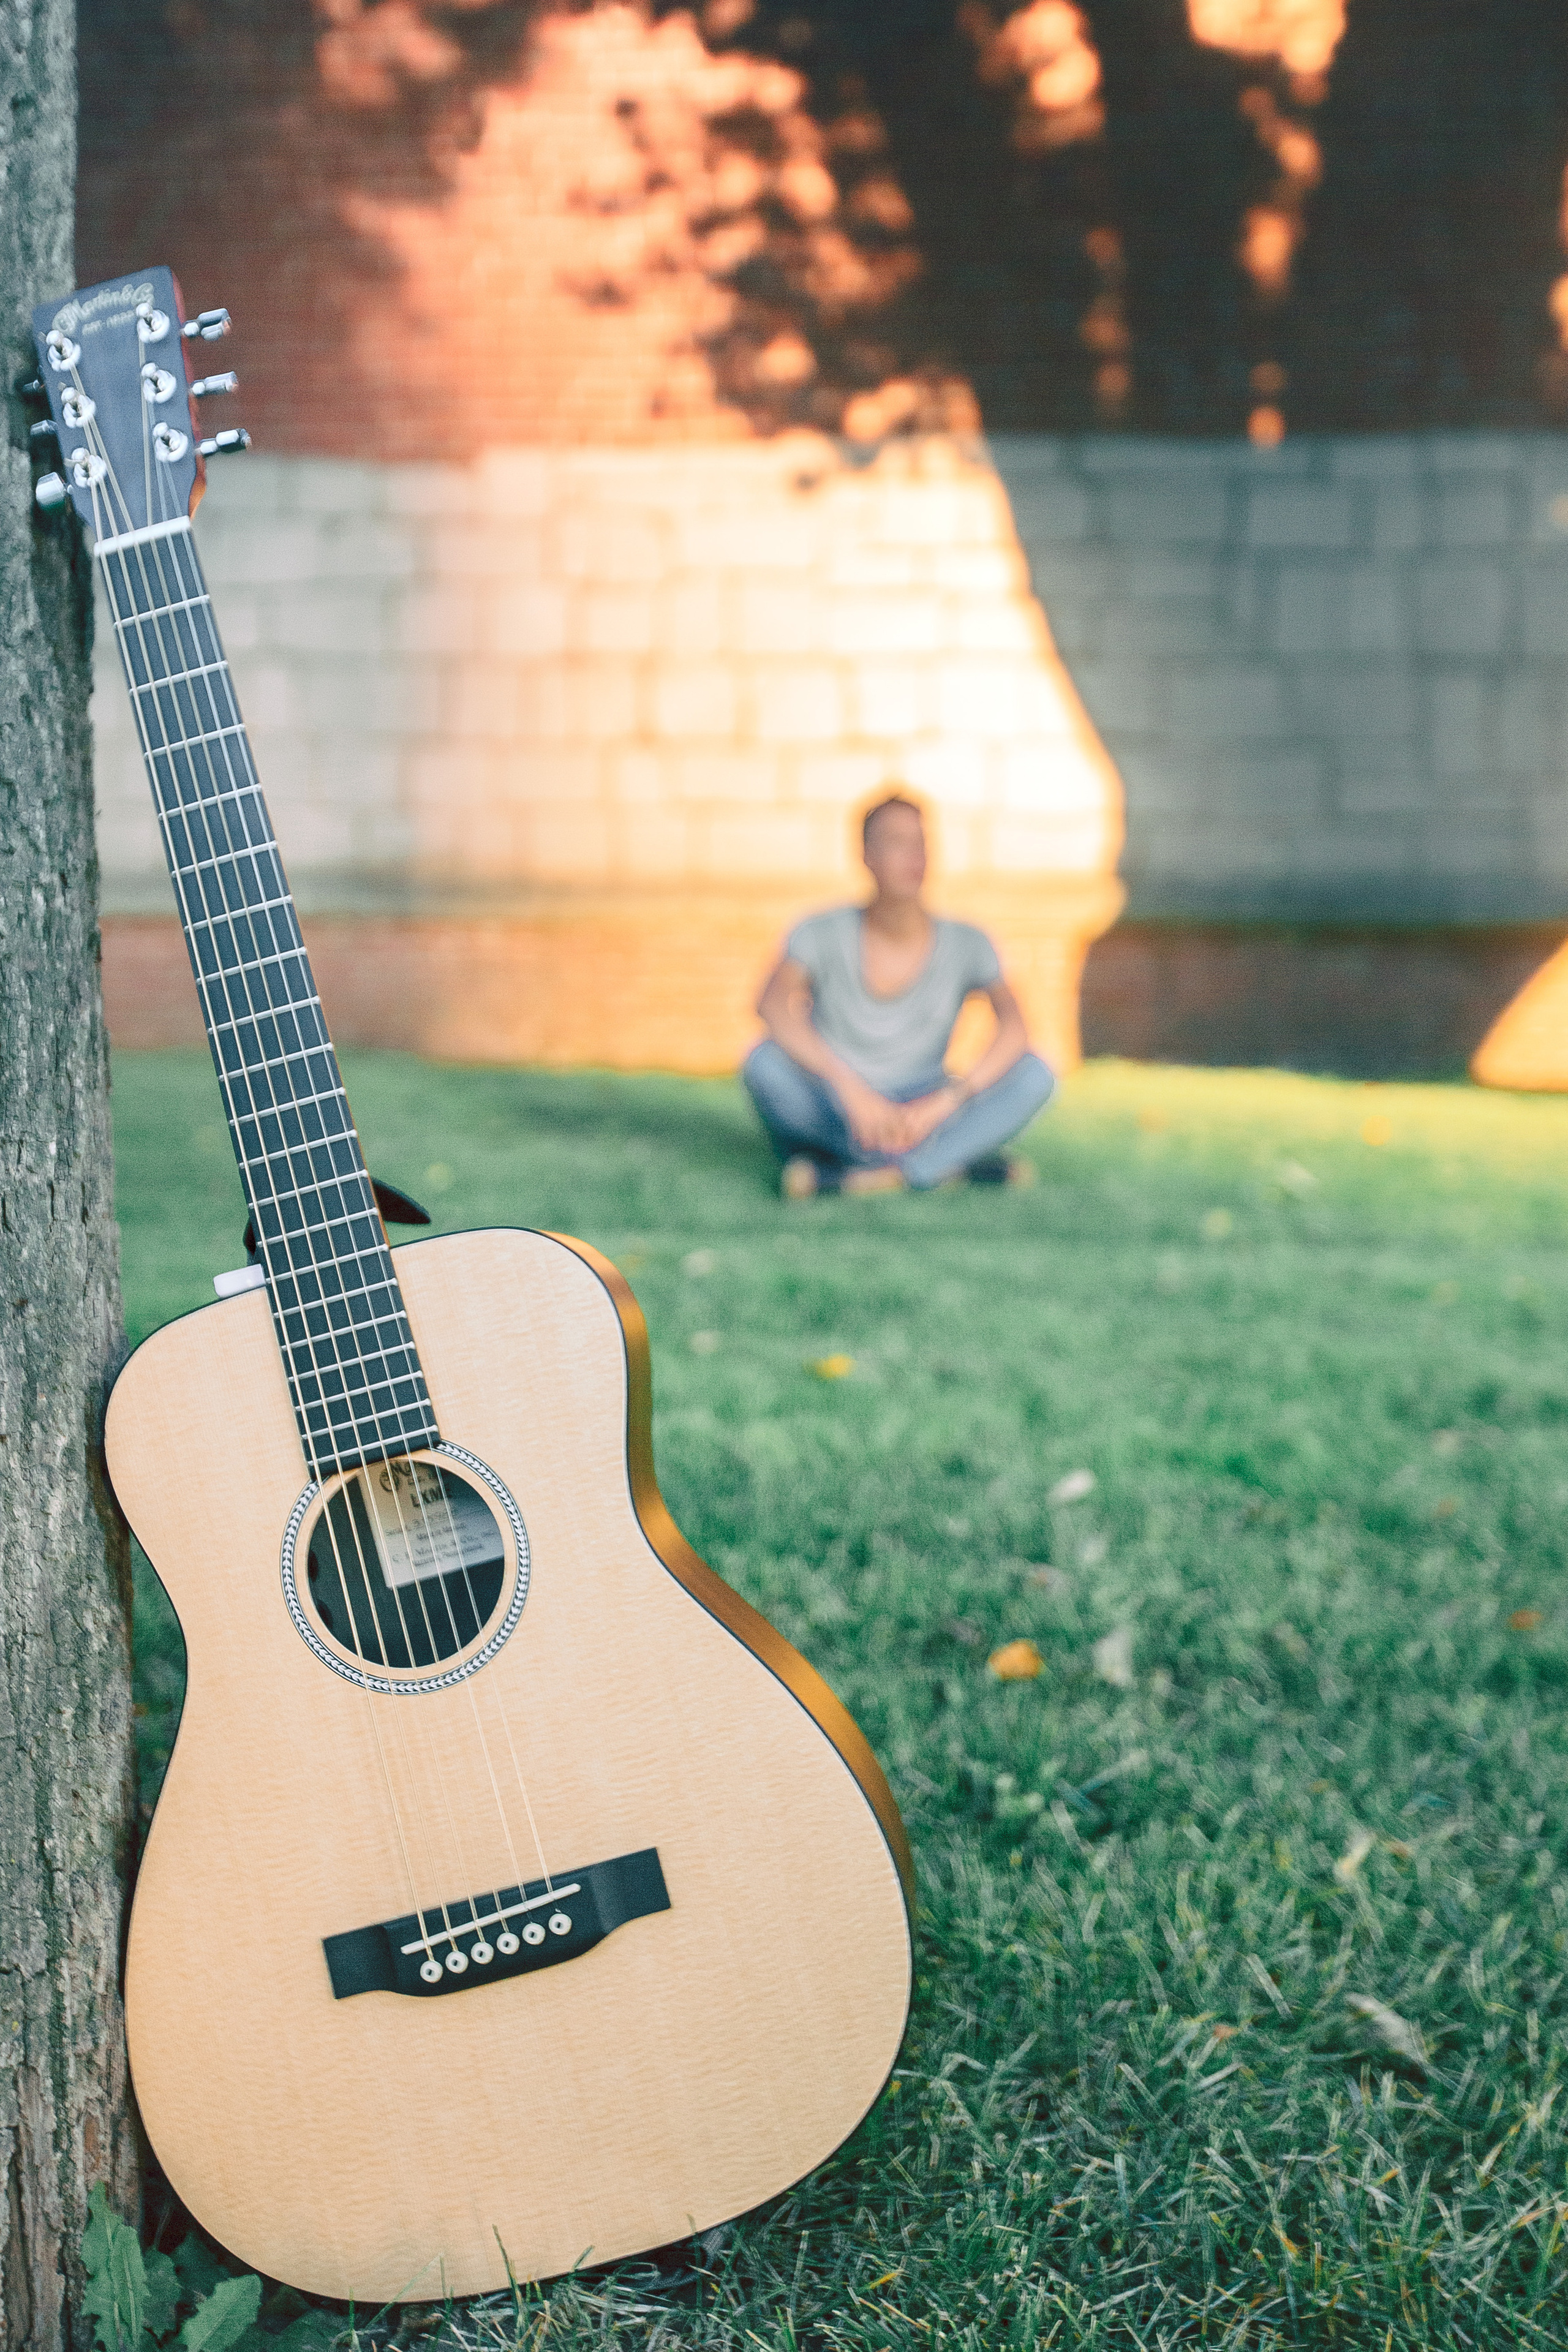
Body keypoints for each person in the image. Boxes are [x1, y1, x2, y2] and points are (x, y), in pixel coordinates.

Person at [742, 794, 1056, 1197]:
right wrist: (848, 1088)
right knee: (763, 1063)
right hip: (840, 1103)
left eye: (921, 843)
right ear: (866, 856)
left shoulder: (969, 942)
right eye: (896, 842)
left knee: (1037, 1074)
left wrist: (946, 1101)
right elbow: (771, 1006)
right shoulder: (818, 931)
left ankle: (862, 1176)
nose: (914, 856)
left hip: (924, 1106)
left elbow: (1016, 1029)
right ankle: (945, 1164)